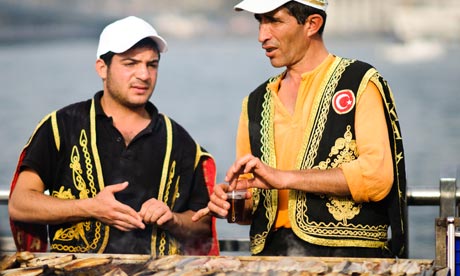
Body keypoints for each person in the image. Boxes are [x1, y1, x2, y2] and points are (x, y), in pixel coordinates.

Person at [193, 0, 407, 258]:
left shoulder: (359, 82)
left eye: (274, 20)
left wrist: (284, 178)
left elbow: (377, 178)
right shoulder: (255, 102)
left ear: (312, 24)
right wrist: (232, 204)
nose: (262, 35)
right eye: (260, 22)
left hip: (350, 260)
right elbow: (252, 201)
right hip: (272, 259)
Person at [8, 16, 219, 256]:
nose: (144, 74)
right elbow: (20, 203)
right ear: (102, 67)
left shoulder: (179, 140)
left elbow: (202, 226)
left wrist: (172, 219)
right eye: (130, 63)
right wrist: (90, 208)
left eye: (152, 64)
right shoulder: (61, 126)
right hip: (76, 272)